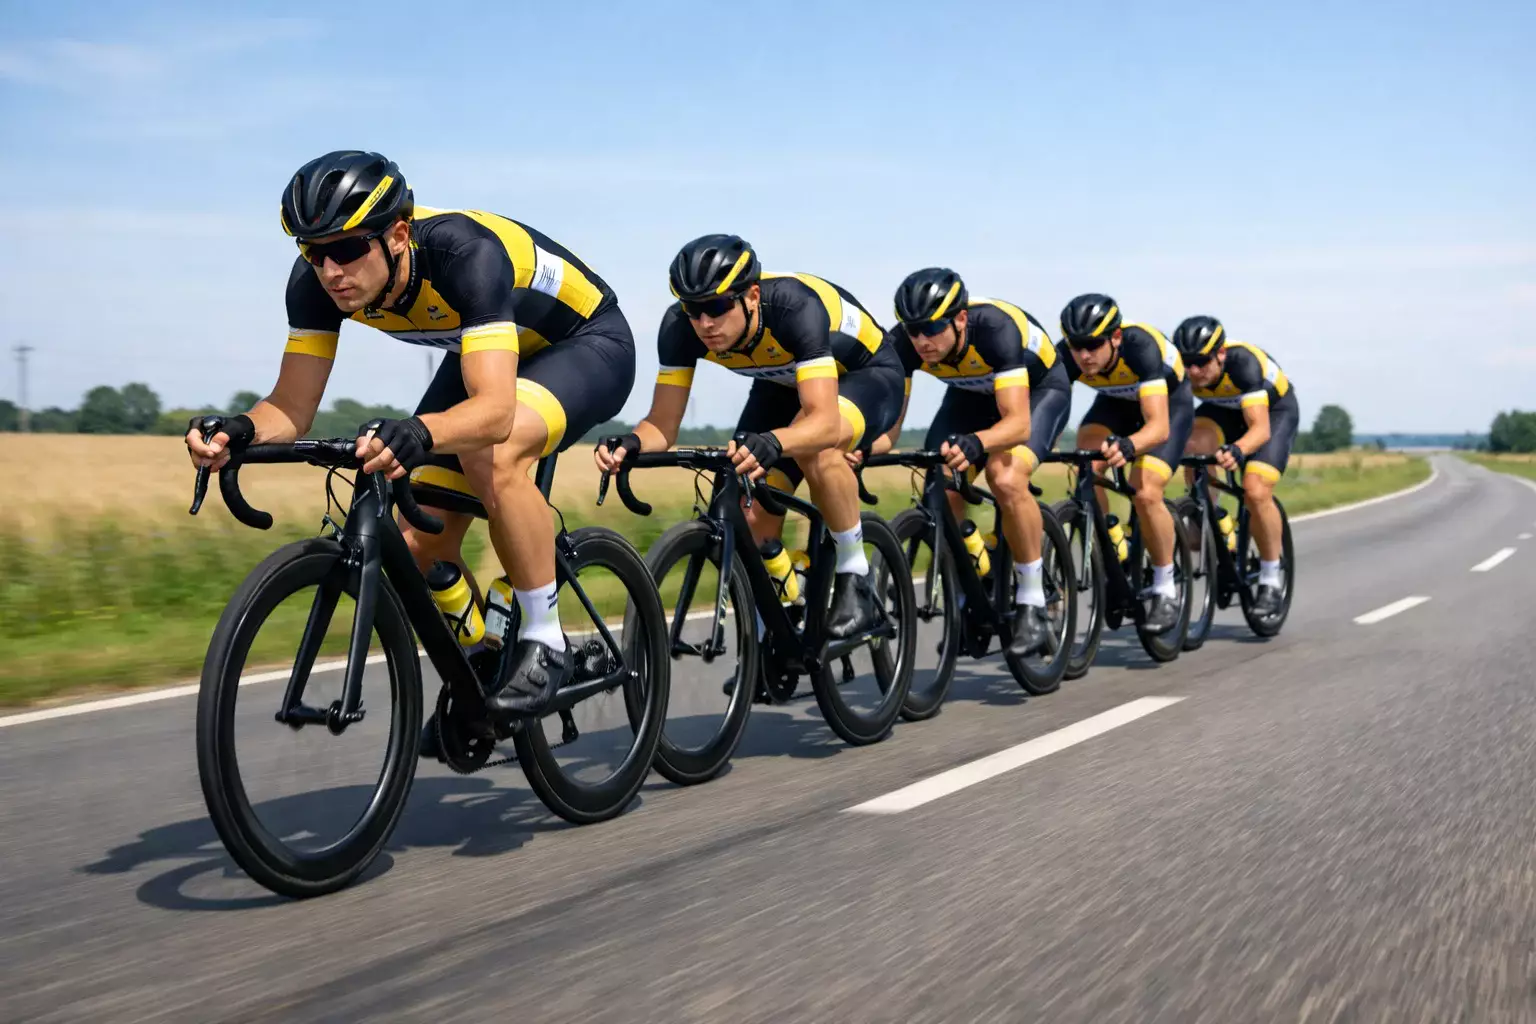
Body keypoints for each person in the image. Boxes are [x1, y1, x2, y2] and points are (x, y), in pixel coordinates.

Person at [184, 150, 636, 737]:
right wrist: (241, 429)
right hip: (484, 351)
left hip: (584, 345)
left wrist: (420, 431)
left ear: (398, 235)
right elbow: (291, 408)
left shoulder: (462, 254)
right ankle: (482, 659)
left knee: (492, 452)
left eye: (347, 249)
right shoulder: (318, 285)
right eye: (312, 251)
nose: (330, 269)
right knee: (418, 543)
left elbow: (495, 412)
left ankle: (545, 640)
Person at [593, 234, 905, 638]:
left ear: (752, 296)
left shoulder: (795, 308)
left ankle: (855, 577)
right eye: (693, 309)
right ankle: (785, 614)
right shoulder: (680, 328)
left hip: (866, 376)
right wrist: (633, 442)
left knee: (818, 448)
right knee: (752, 513)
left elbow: (824, 422)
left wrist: (775, 442)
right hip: (780, 385)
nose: (705, 323)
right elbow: (663, 425)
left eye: (718, 307)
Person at [864, 268, 1072, 656]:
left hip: (1039, 392)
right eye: (913, 331)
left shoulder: (995, 329)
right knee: (937, 480)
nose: (921, 341)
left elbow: (1017, 423)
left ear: (960, 318)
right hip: (969, 395)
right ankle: (972, 582)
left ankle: (1033, 602)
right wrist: (860, 449)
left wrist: (979, 442)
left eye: (932, 328)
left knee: (1005, 477)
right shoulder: (906, 344)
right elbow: (890, 431)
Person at [1056, 293, 1192, 633]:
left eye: (1093, 345)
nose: (1084, 355)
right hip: (1114, 401)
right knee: (1085, 464)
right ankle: (1108, 551)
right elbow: (1050, 404)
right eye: (1077, 346)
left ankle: (1165, 588)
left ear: (1115, 337)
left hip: (1167, 407)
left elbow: (1158, 427)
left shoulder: (1140, 346)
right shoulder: (1068, 356)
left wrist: (1131, 445)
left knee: (1145, 491)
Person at [1172, 315, 1298, 614]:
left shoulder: (1244, 363)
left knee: (1255, 490)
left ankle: (1270, 578)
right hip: (1220, 410)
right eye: (1186, 362)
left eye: (1201, 362)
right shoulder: (1184, 371)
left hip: (1272, 414)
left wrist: (1239, 450)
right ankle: (1210, 516)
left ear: (1221, 354)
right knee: (1192, 446)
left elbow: (1259, 429)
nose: (1193, 371)